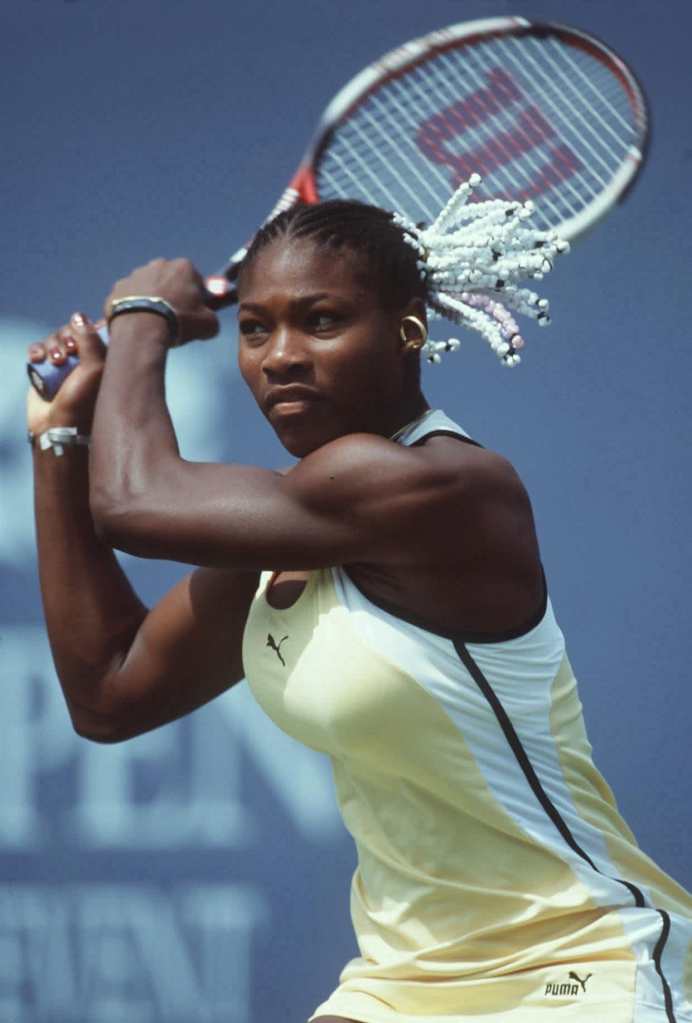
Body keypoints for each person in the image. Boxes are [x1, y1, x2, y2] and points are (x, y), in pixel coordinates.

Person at [28, 180, 691, 1023]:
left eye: (323, 320)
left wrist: (142, 316)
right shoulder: (292, 529)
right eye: (256, 327)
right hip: (401, 982)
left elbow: (131, 503)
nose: (280, 356)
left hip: (578, 963)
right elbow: (110, 691)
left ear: (408, 328)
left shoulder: (441, 485)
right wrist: (58, 435)